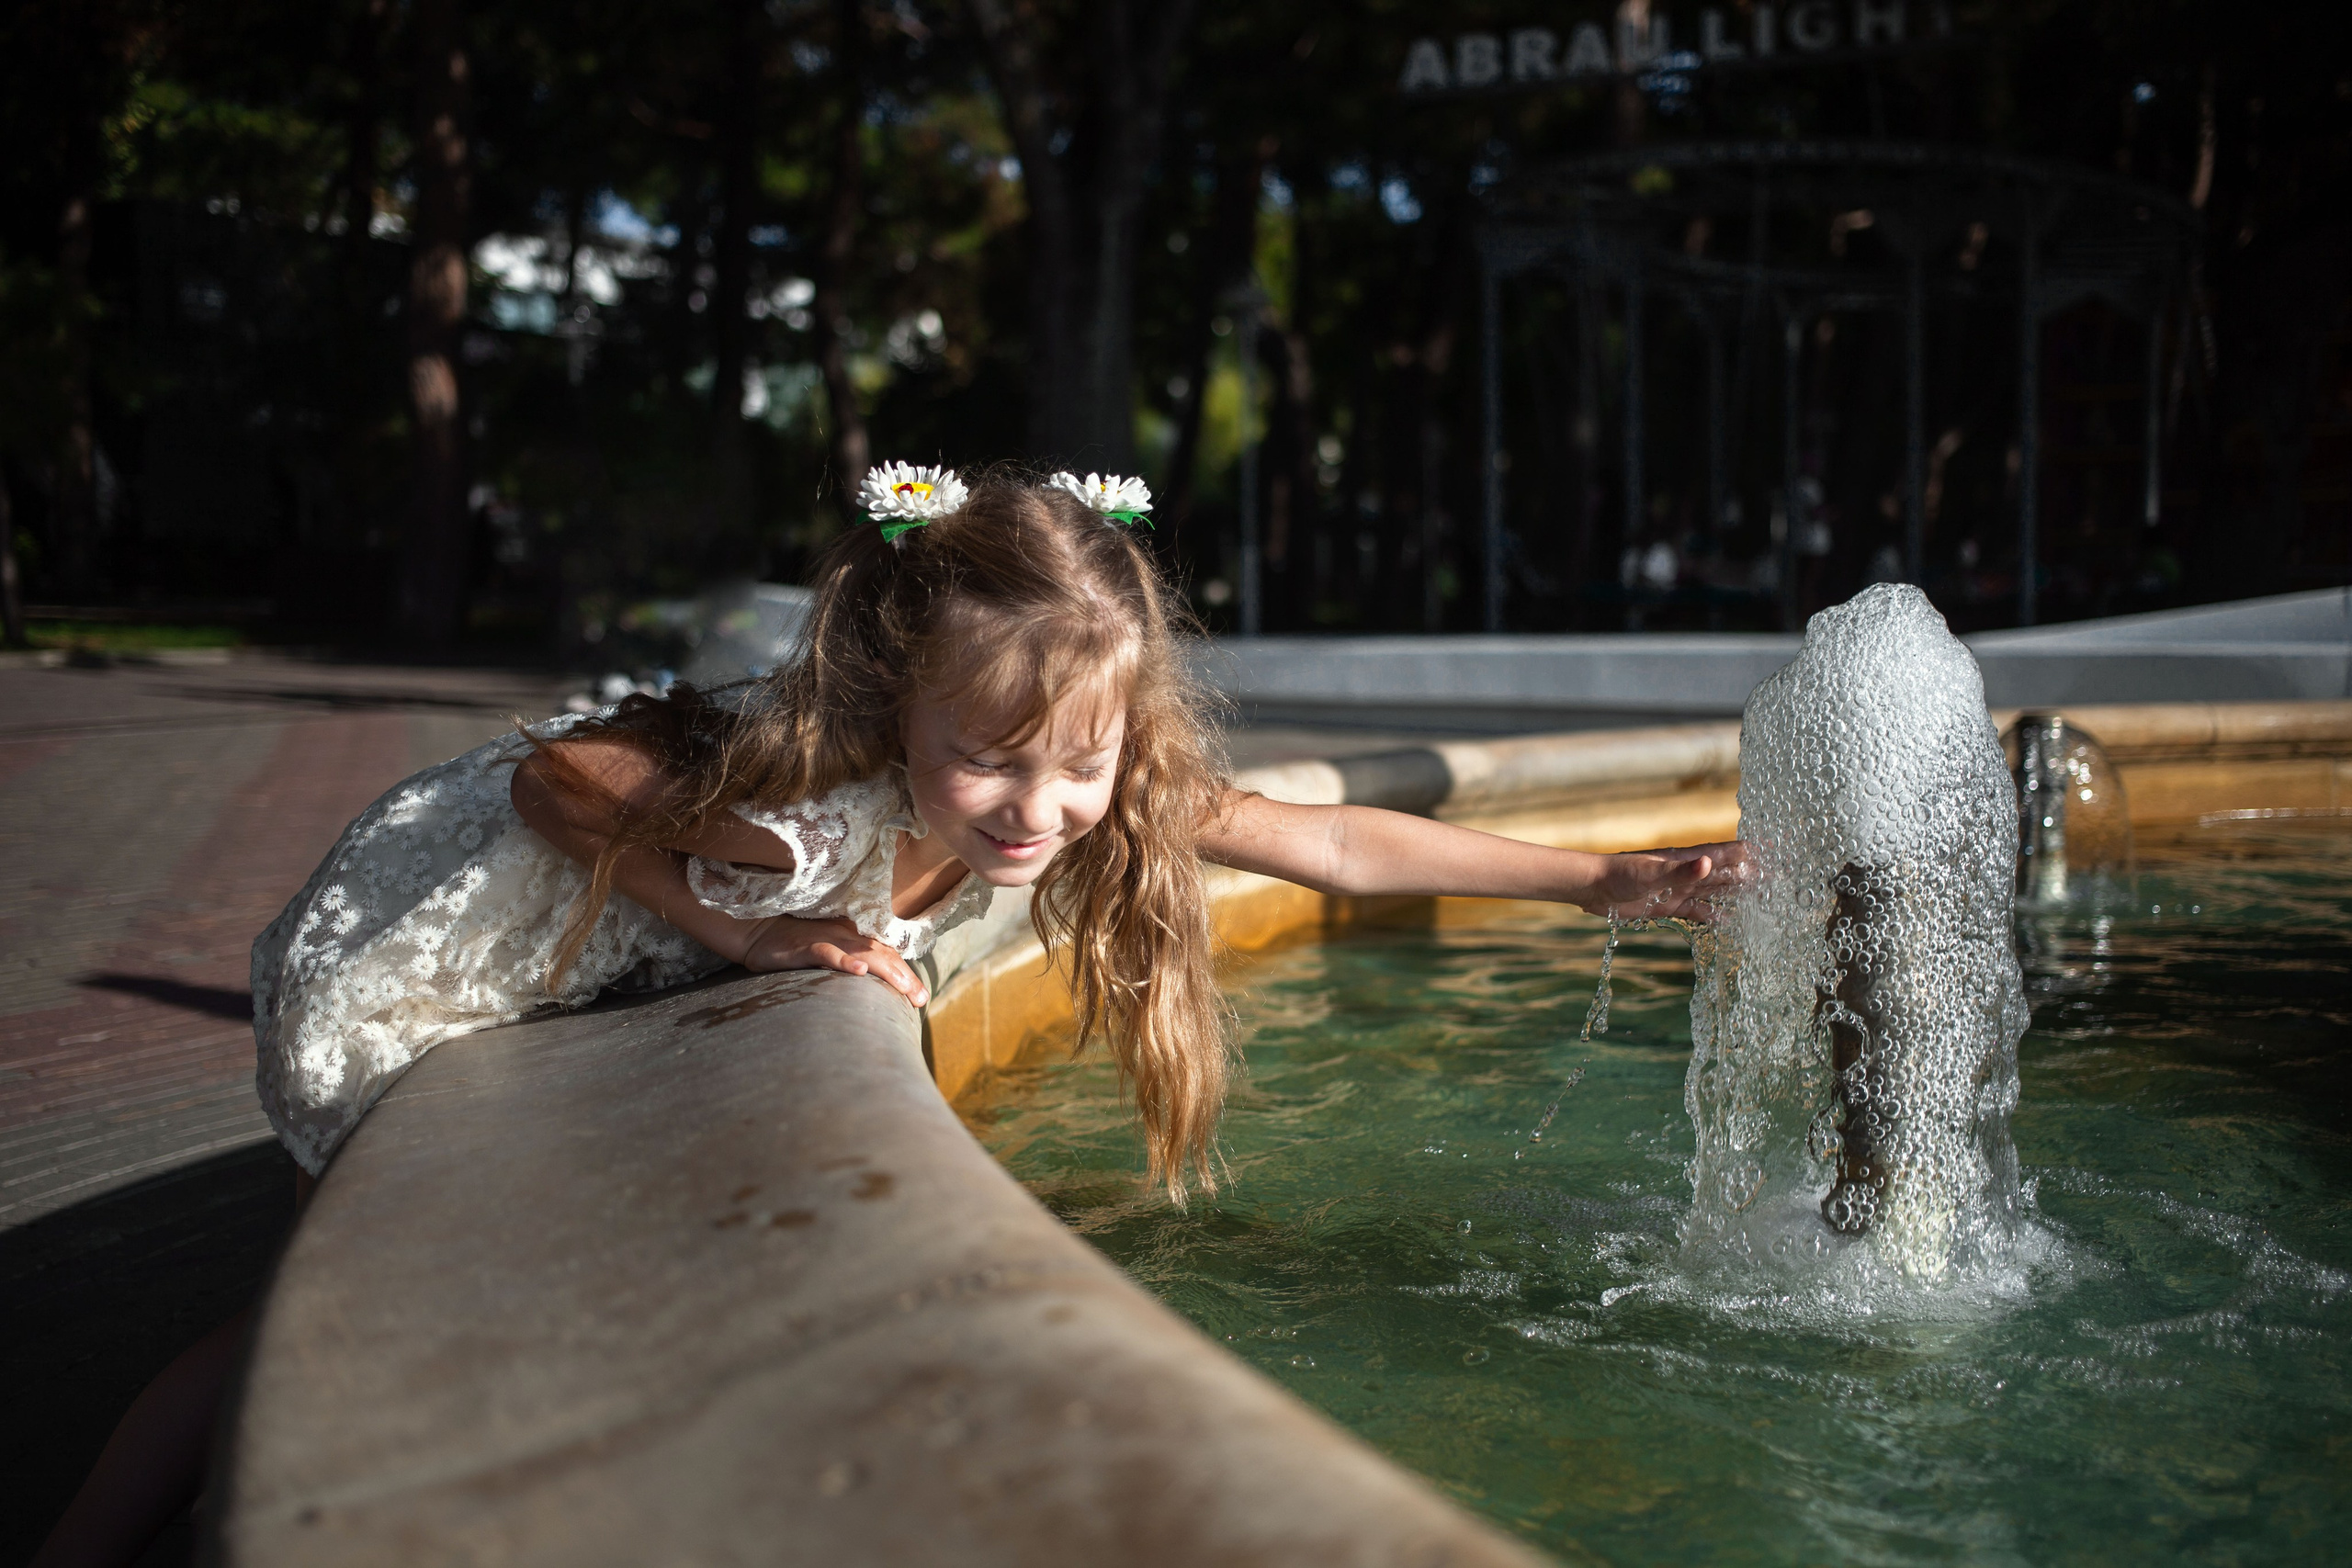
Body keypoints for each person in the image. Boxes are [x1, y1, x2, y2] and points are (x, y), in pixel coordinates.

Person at [33, 465, 1747, 1566]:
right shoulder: (805, 797)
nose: (1036, 810)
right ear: (894, 704)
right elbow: (554, 783)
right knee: (317, 1314)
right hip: (440, 952)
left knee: (342, 1313)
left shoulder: (1076, 779)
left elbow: (1337, 842)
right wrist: (745, 935)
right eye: (985, 760)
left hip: (575, 936)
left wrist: (1613, 883)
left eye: (1078, 765)